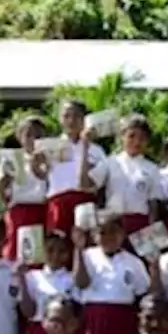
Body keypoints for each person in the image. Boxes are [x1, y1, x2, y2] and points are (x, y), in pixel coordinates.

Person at [72, 213, 150, 334]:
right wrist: (78, 249)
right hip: (94, 319)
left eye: (113, 231)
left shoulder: (134, 262)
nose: (108, 237)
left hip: (122, 319)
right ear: (94, 236)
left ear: (123, 233)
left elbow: (142, 292)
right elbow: (81, 283)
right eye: (102, 232)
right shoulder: (87, 255)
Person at [90, 114, 162, 238]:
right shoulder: (110, 162)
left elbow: (153, 204)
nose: (136, 142)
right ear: (122, 136)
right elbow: (89, 184)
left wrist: (154, 235)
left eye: (142, 138)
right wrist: (86, 145)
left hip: (140, 224)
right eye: (131, 136)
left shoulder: (152, 168)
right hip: (112, 222)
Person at [45, 100, 106, 236]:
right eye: (66, 116)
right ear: (60, 119)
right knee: (59, 248)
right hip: (59, 204)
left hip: (86, 202)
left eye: (77, 116)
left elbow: (101, 184)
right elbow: (41, 177)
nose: (71, 121)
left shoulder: (96, 150)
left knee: (86, 248)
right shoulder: (49, 147)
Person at [0, 115, 49, 260]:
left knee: (41, 254)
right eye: (29, 134)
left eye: (38, 135)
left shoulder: (50, 159)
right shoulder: (11, 159)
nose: (33, 139)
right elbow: (1, 195)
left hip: (43, 211)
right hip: (19, 211)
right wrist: (5, 180)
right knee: (17, 253)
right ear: (20, 137)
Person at [18, 231, 76, 334]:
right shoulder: (32, 276)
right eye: (50, 250)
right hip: (37, 330)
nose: (55, 255)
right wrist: (21, 279)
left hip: (62, 332)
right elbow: (28, 312)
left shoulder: (72, 279)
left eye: (61, 251)